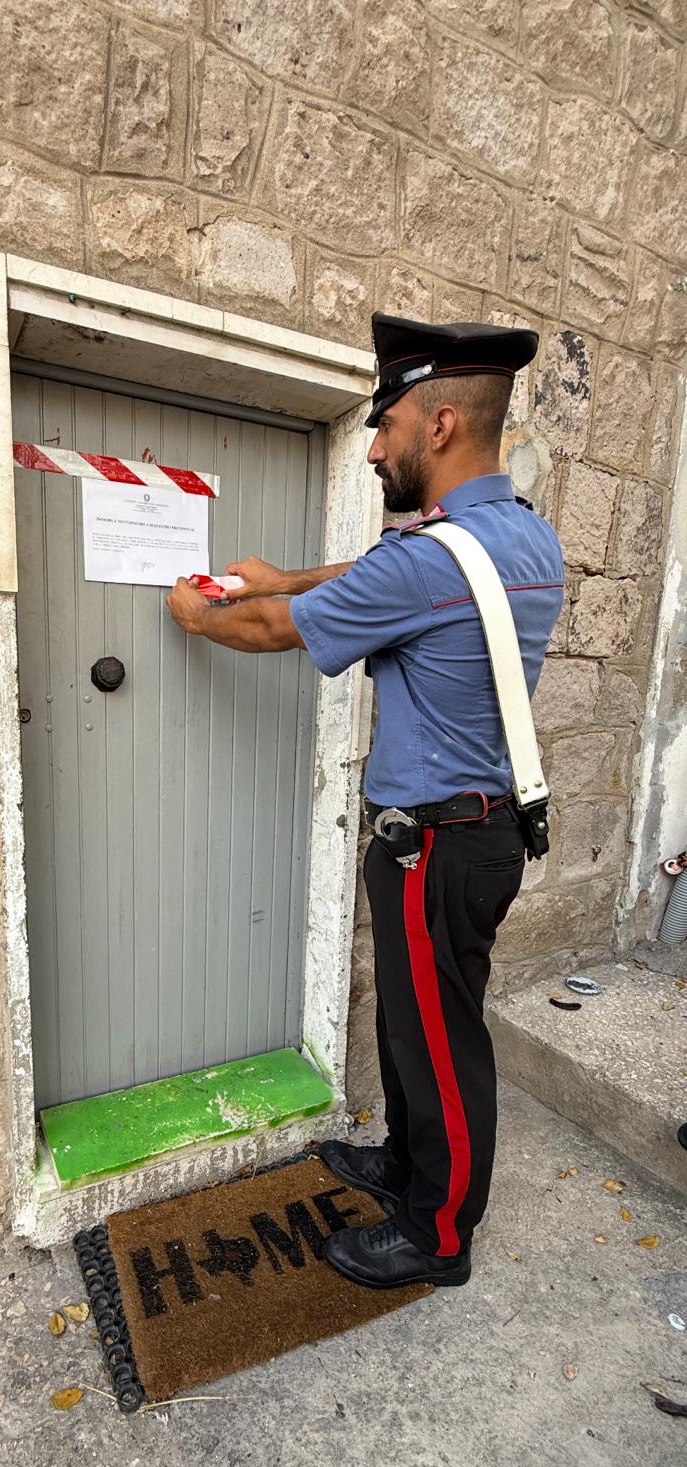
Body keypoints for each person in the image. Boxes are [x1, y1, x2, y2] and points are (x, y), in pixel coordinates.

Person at [166, 312, 565, 1292]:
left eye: (385, 425)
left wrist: (202, 615)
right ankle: (406, 1164)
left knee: (443, 1040)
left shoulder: (430, 562)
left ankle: (439, 1234)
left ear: (439, 424)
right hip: (466, 835)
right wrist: (288, 573)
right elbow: (391, 572)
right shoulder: (518, 538)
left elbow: (272, 628)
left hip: (437, 846)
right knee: (413, 1024)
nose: (375, 447)